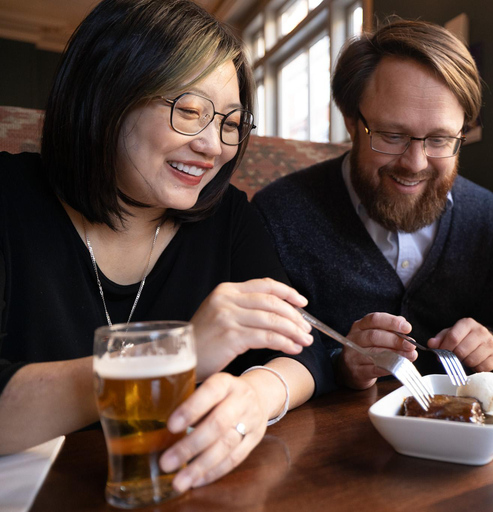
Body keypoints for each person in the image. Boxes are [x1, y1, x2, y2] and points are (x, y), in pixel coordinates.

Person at [0, 0, 333, 493]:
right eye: (191, 111)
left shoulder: (228, 219)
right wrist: (173, 357)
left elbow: (304, 349)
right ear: (106, 95)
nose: (213, 146)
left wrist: (256, 396)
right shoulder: (8, 199)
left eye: (230, 123)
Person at [253, 19, 493, 391]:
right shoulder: (279, 214)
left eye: (440, 139)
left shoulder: (485, 215)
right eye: (392, 135)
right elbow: (262, 358)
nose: (415, 163)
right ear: (351, 122)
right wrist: (341, 365)